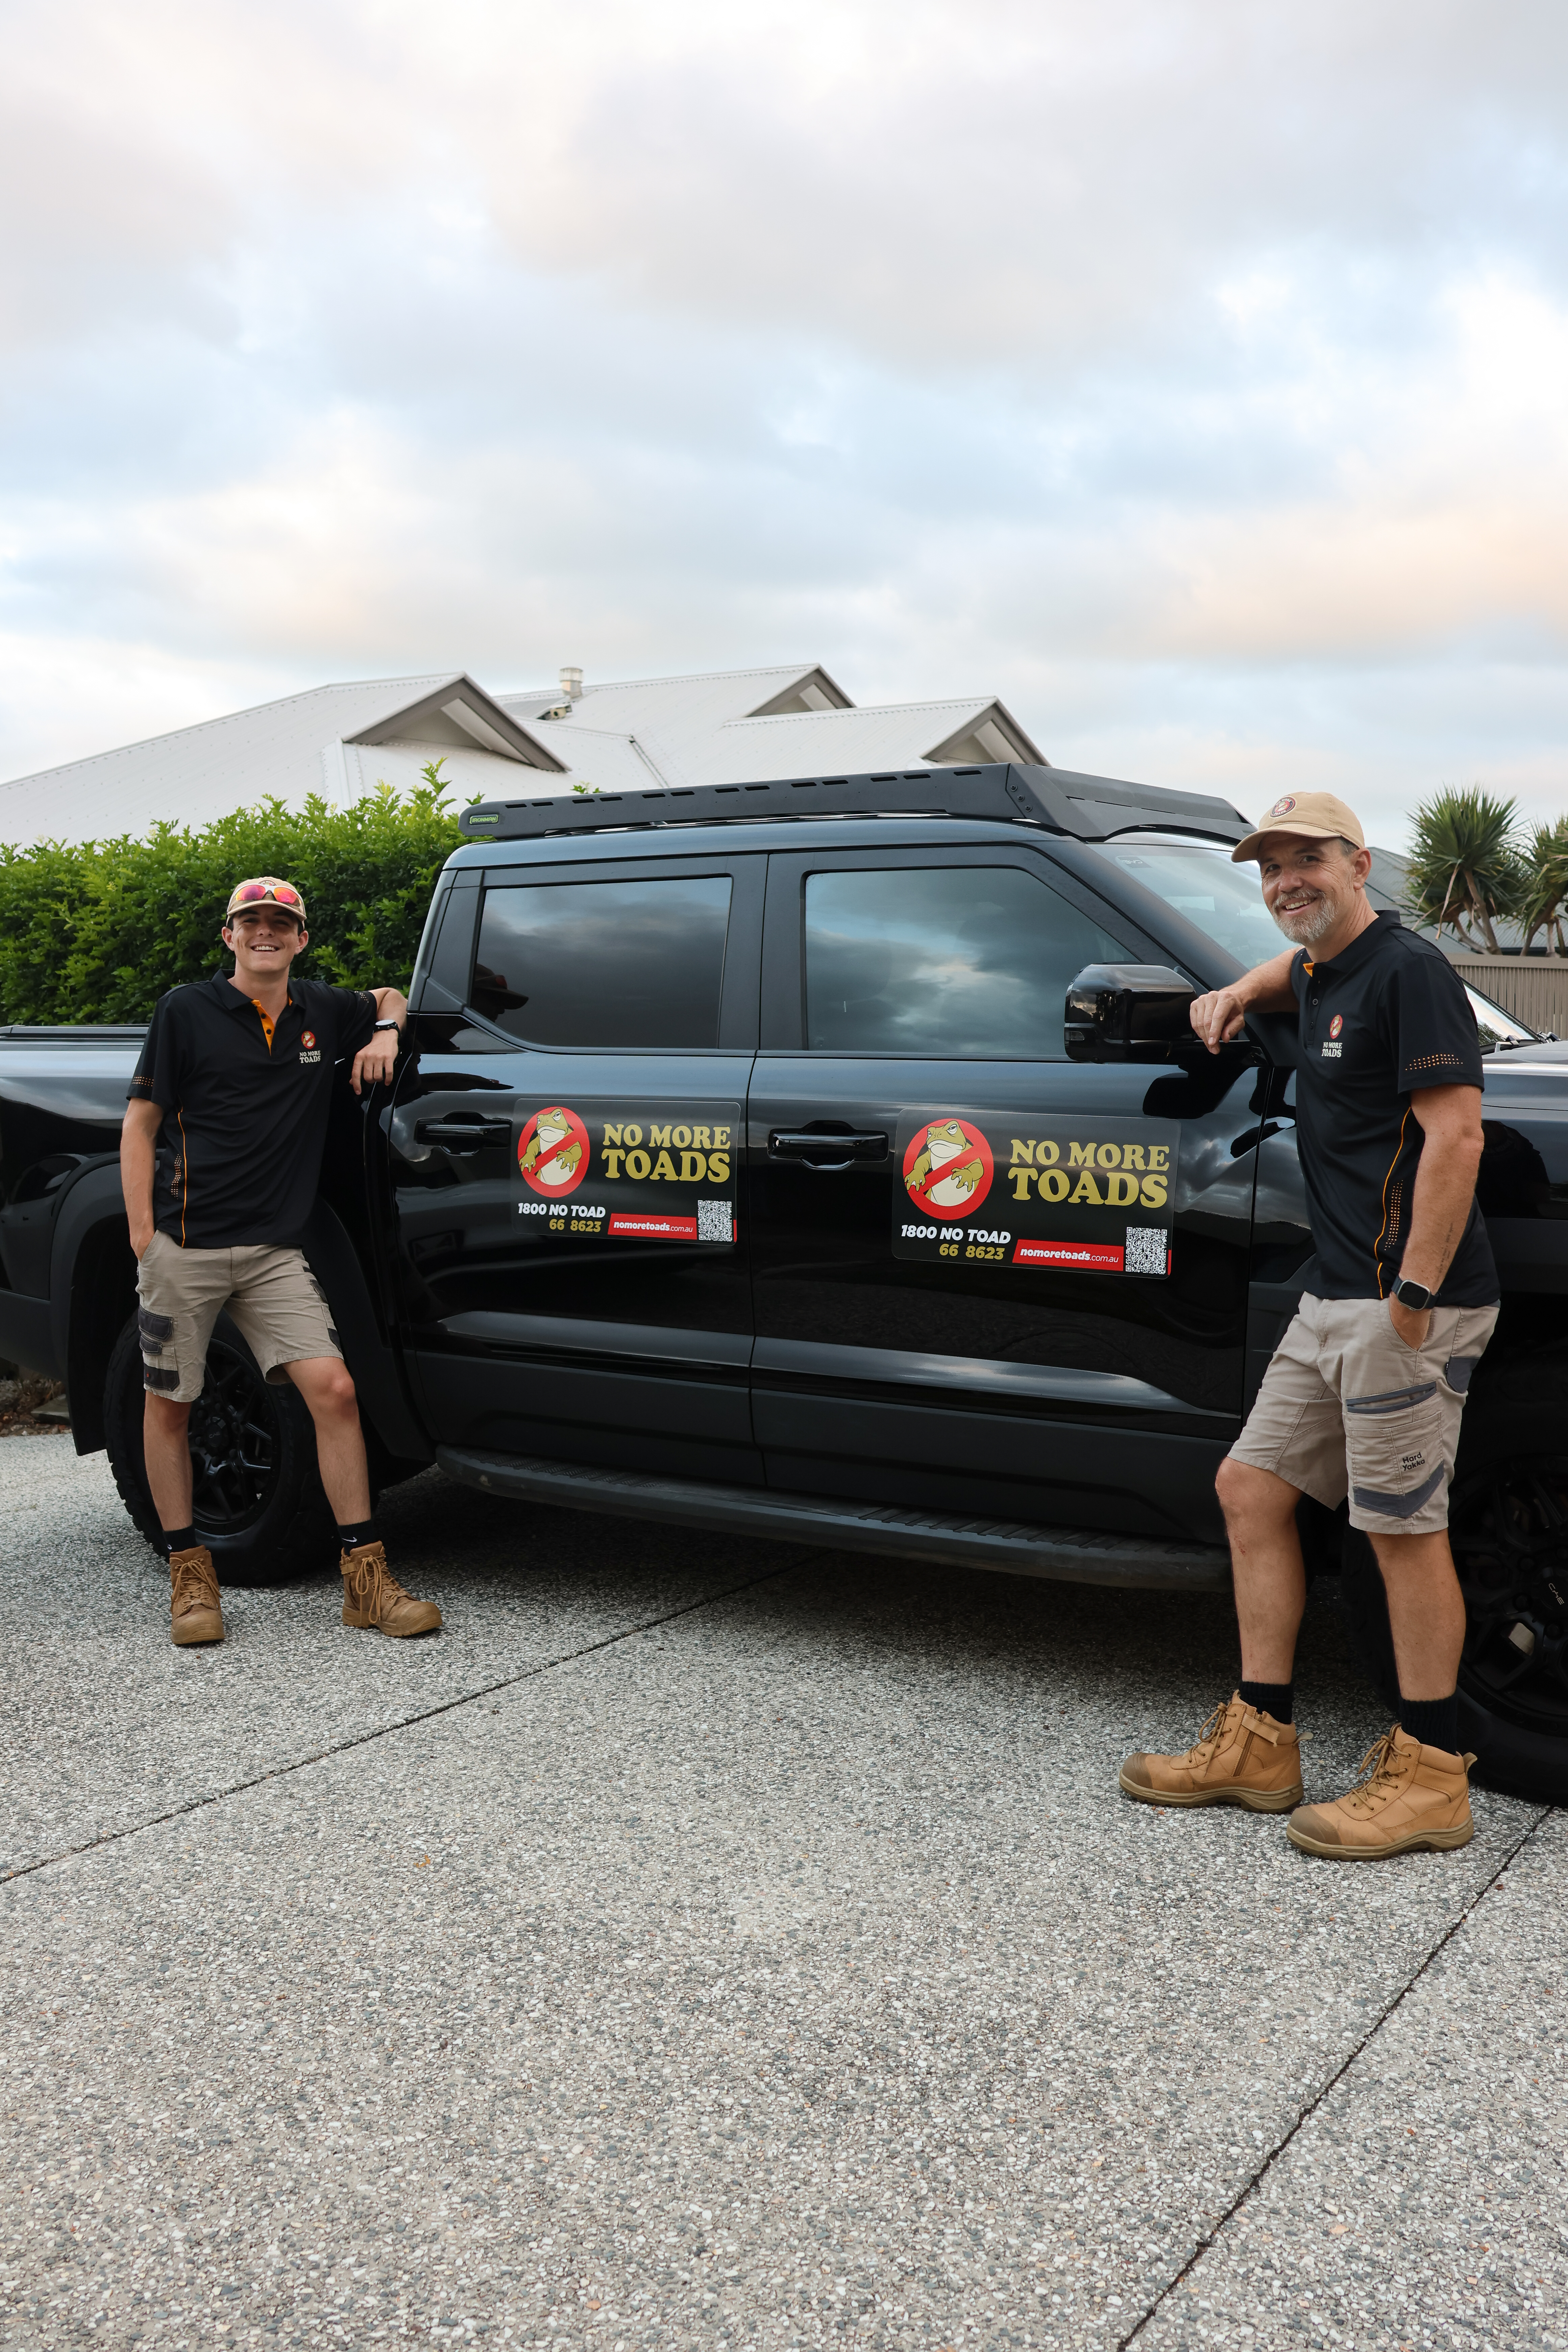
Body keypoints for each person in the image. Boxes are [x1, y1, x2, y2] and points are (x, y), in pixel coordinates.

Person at [1119, 792, 1497, 1858]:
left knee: (1399, 1529)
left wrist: (1413, 1300)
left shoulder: (1410, 971)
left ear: (1360, 862)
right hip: (1331, 1295)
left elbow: (1456, 1140)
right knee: (1251, 1487)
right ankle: (1262, 1741)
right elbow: (1297, 968)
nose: (1287, 880)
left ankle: (1433, 1776)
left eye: (1308, 860)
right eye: (1271, 866)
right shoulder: (1325, 969)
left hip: (1401, 1303)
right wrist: (1242, 984)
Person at [120, 876, 442, 1647]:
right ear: (229, 937)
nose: (265, 932)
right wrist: (143, 1239)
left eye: (281, 923)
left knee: (333, 1391)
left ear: (300, 939)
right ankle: (189, 1579)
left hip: (271, 1254)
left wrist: (386, 1033)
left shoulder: (322, 1010)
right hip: (185, 1248)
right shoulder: (186, 1011)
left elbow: (391, 994)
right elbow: (140, 1126)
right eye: (250, 922)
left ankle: (366, 1581)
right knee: (170, 1406)